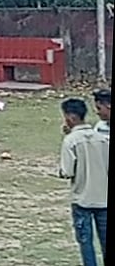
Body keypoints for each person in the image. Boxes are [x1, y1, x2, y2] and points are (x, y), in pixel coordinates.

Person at [59, 97, 108, 266]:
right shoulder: (102, 138)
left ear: (70, 117)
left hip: (82, 200)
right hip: (103, 198)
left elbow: (67, 171)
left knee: (86, 243)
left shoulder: (70, 140)